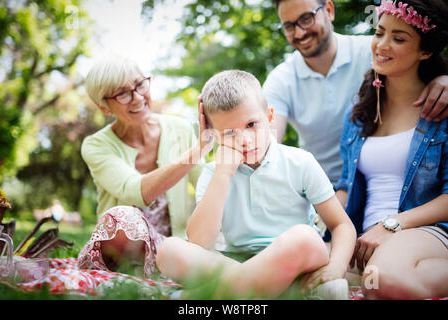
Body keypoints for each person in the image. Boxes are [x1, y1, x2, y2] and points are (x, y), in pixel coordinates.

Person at [155, 70, 357, 299]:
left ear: (270, 117)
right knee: (169, 251)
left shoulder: (299, 162)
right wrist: (223, 173)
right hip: (236, 260)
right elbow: (200, 241)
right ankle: (274, 289)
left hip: (296, 262)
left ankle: (206, 296)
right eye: (229, 133)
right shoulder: (213, 173)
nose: (245, 140)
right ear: (214, 135)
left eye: (251, 124)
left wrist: (336, 267)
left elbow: (341, 225)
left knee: (305, 237)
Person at [263, 0, 448, 187]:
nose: (299, 32)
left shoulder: (377, 53)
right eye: (289, 26)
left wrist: (444, 79)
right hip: (320, 189)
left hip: (378, 180)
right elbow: (266, 141)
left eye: (306, 19)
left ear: (329, 10)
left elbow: (424, 57)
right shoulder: (280, 80)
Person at [335, 0, 448, 299]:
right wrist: (320, 220)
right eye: (379, 33)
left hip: (426, 231)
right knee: (297, 271)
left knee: (380, 280)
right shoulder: (358, 116)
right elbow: (346, 186)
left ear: (425, 51)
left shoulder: (443, 112)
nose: (382, 45)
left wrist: (393, 225)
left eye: (399, 38)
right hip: (366, 237)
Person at [77, 55, 213, 276]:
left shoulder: (179, 128)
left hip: (174, 246)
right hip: (123, 249)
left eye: (140, 84)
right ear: (104, 107)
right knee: (121, 217)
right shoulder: (95, 145)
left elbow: (205, 185)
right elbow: (135, 191)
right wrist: (198, 150)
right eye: (122, 93)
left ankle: (239, 275)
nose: (138, 98)